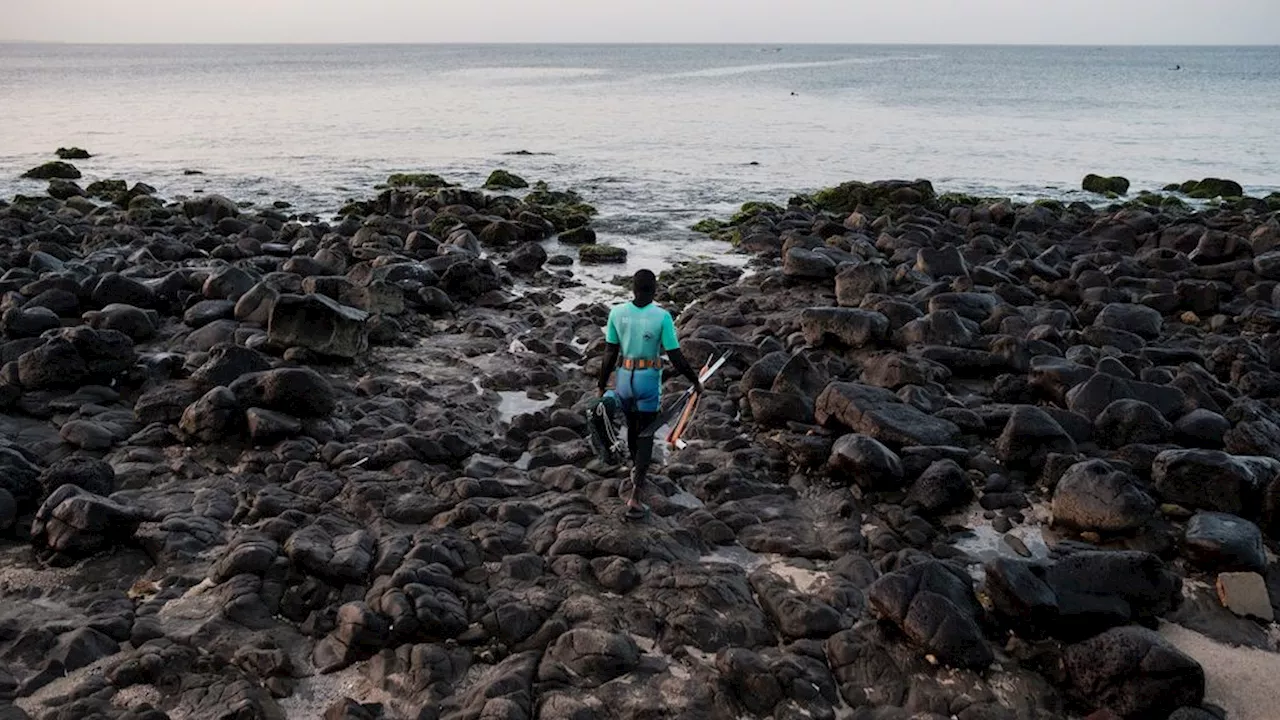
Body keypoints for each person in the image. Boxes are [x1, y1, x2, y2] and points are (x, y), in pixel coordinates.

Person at [598, 269, 703, 516]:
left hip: (624, 379)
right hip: (647, 381)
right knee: (646, 434)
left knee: (633, 429)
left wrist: (602, 383)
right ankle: (635, 495)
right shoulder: (662, 317)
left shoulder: (617, 313)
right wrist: (694, 380)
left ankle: (635, 468)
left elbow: (609, 353)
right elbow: (675, 356)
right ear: (654, 289)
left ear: (632, 289)